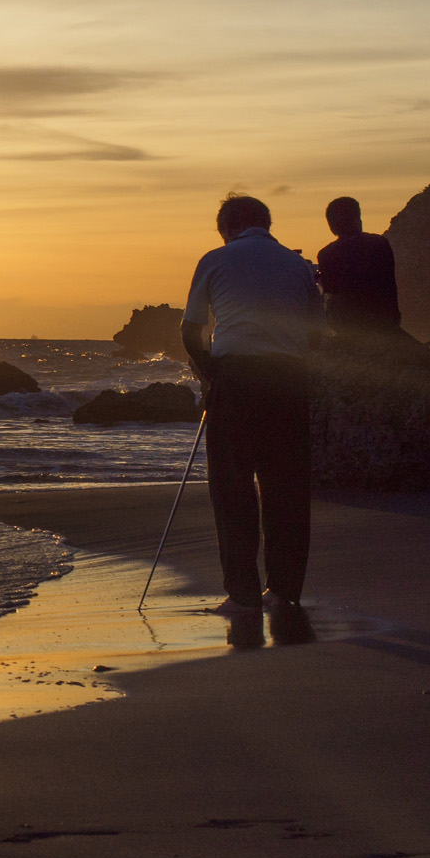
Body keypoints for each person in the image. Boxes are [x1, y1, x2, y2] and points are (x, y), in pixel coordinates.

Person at [181, 196, 326, 613]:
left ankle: (242, 593)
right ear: (266, 223)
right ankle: (284, 592)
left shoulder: (215, 259)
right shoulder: (299, 266)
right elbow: (317, 333)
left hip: (236, 378)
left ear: (229, 226)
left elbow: (191, 331)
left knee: (232, 486)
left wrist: (210, 372)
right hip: (288, 379)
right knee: (288, 489)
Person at [314, 196, 401, 336]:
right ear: (357, 219)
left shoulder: (327, 254)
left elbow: (331, 294)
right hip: (385, 322)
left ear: (332, 225)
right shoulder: (379, 244)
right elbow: (389, 285)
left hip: (349, 328)